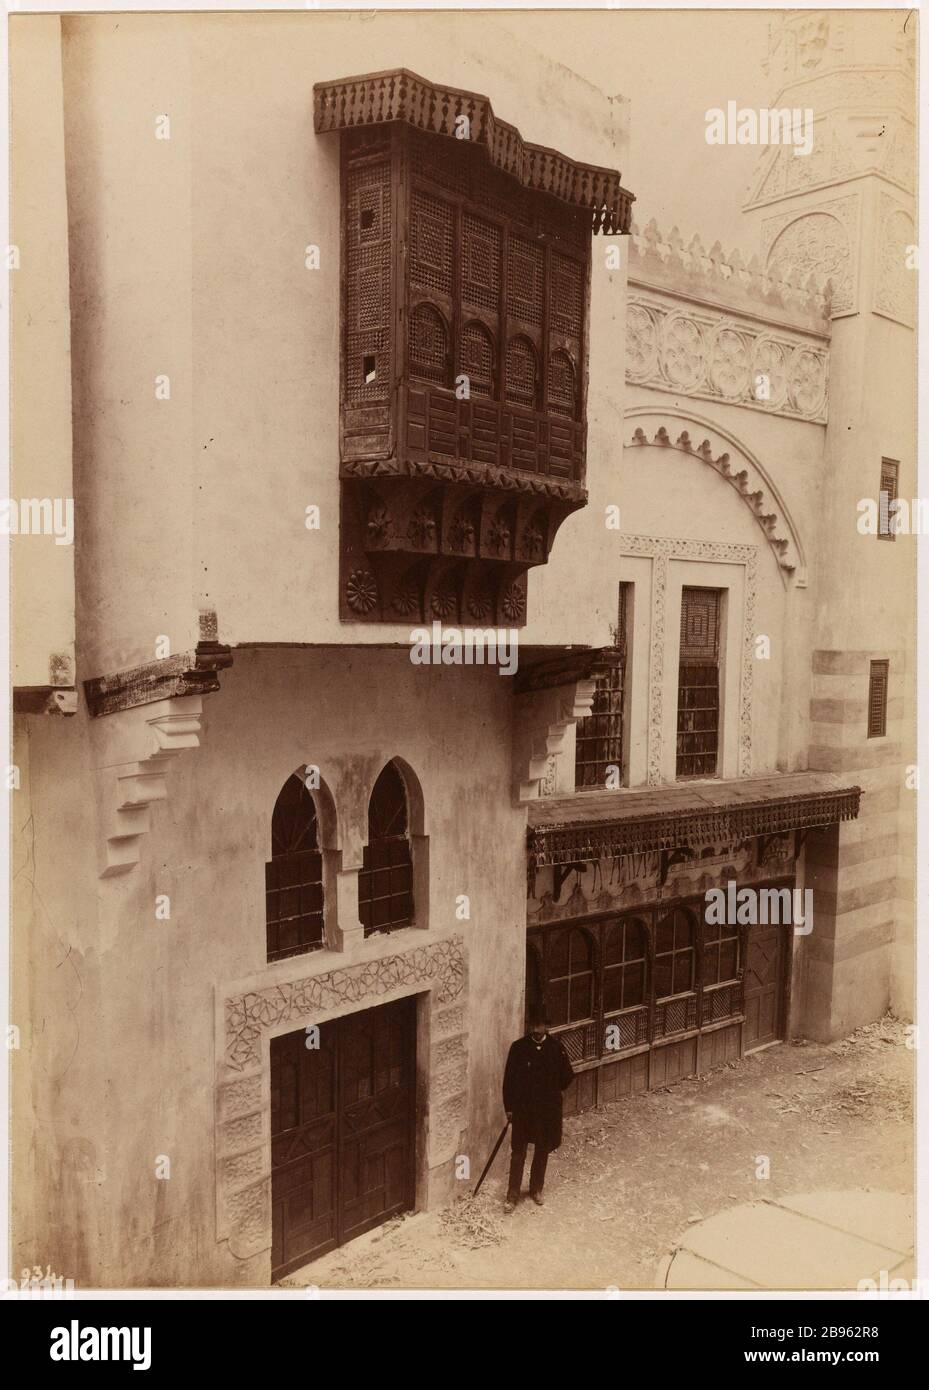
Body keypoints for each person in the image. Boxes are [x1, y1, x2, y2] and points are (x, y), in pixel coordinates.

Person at [501, 1010, 574, 1213]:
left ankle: (536, 1189)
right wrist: (509, 1108)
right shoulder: (518, 1048)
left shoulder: (556, 1049)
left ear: (547, 1027)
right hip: (523, 1110)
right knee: (518, 1152)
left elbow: (567, 1077)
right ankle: (512, 1195)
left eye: (540, 1024)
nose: (535, 1028)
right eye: (532, 1024)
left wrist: (550, 1093)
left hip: (545, 1112)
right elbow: (508, 1081)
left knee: (542, 1150)